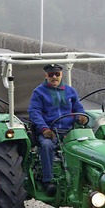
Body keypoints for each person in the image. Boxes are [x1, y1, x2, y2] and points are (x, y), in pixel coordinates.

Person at [28, 64, 88, 196]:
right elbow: (34, 112)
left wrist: (81, 117)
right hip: (50, 131)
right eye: (51, 74)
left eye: (57, 74)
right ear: (46, 76)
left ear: (61, 75)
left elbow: (78, 108)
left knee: (86, 145)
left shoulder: (70, 91)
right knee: (46, 145)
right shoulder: (39, 92)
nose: (54, 77)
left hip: (69, 131)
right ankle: (47, 180)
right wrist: (44, 129)